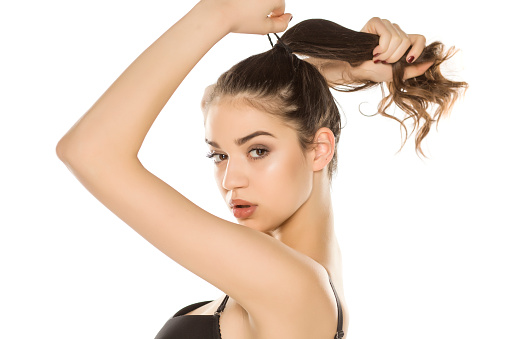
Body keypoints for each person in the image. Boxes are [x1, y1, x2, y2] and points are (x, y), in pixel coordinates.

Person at [56, 1, 466, 338]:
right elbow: (234, 105)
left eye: (257, 151)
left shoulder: (292, 285)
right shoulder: (304, 279)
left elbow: (89, 150)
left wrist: (218, 13)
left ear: (320, 149)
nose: (230, 181)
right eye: (218, 155)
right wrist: (333, 70)